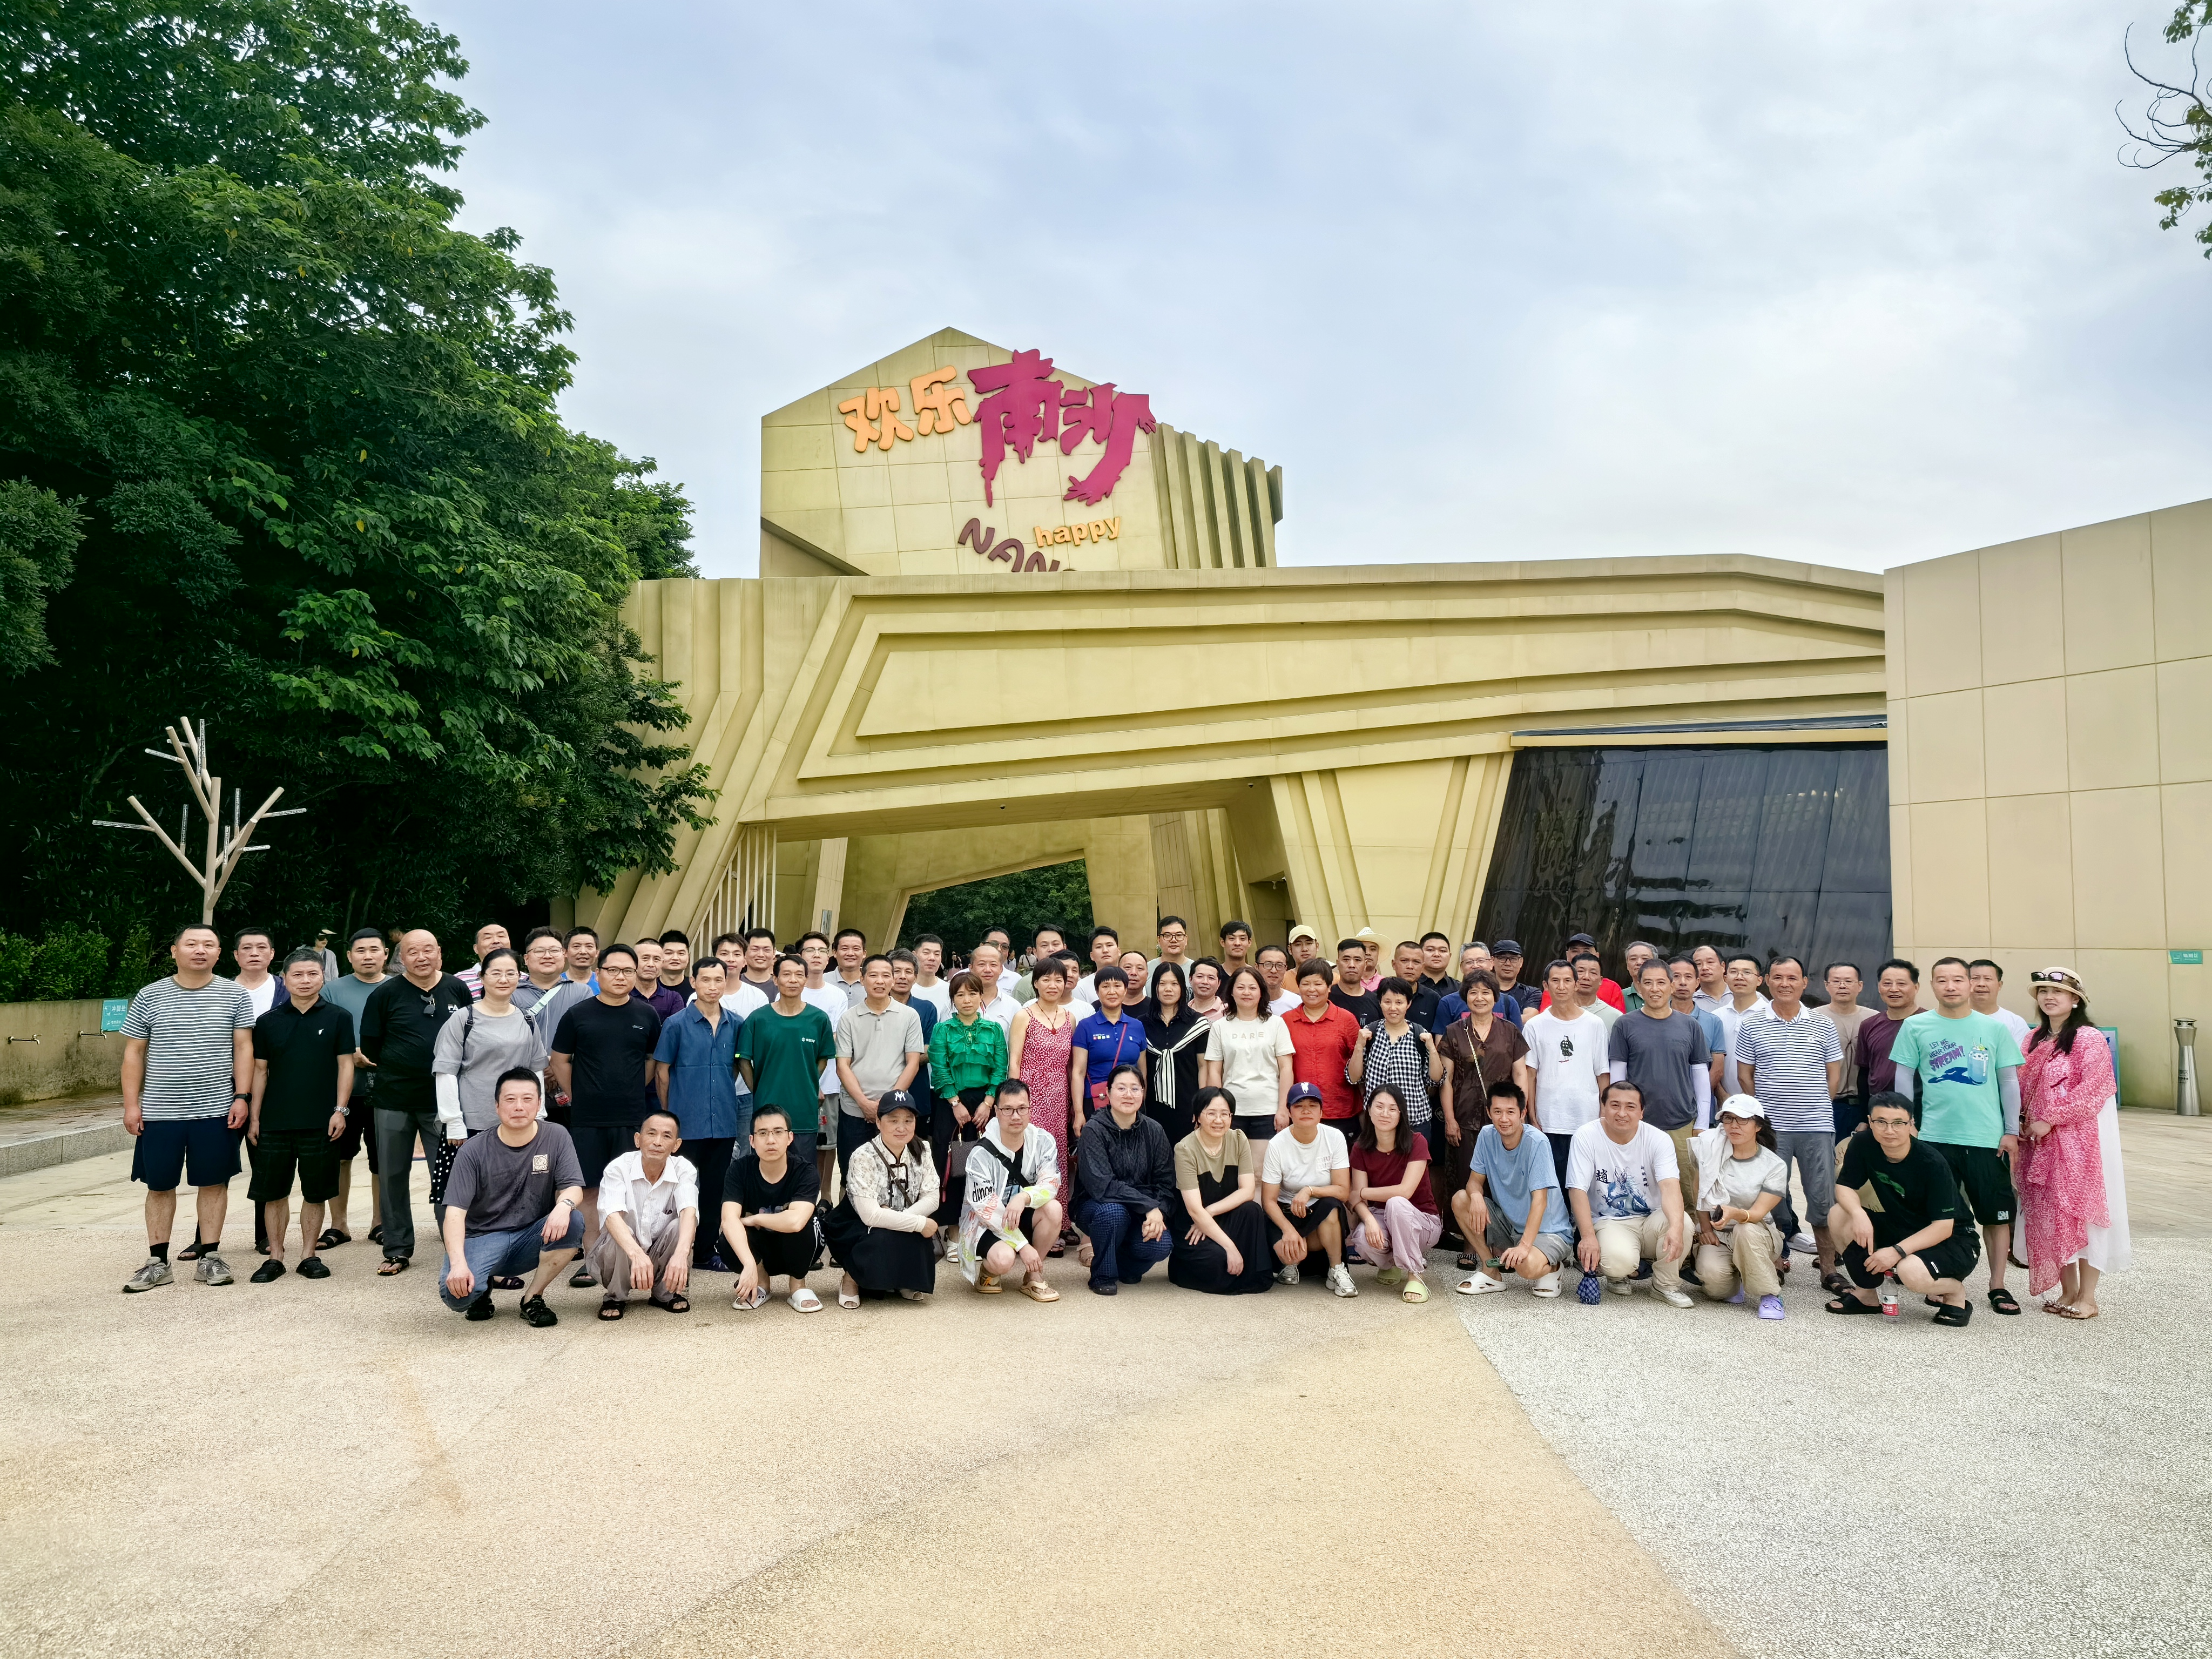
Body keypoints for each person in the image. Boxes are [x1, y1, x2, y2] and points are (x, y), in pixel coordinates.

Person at [119, 925, 254, 1292]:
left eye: (209, 944)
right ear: (175, 951)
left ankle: (210, 1257)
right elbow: (134, 1052)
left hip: (216, 1109)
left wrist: (242, 1096)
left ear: (219, 953)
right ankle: (157, 1262)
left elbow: (244, 1047)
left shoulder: (235, 994)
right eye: (191, 944)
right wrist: (132, 1105)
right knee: (159, 1185)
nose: (200, 950)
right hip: (161, 1112)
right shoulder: (150, 995)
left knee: (214, 1183)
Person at [1889, 956, 2025, 1314]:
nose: (1950, 987)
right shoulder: (1916, 1026)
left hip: (1987, 1138)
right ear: (1932, 986)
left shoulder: (1994, 1029)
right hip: (1935, 1137)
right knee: (1939, 1214)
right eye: (1942, 980)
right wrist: (1907, 1122)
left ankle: (1998, 1285)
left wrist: (2011, 1130)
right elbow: (1903, 1077)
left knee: (1995, 1216)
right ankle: (1943, 1279)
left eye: (1958, 980)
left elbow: (2009, 1081)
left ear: (1970, 984)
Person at [547, 945, 663, 1287]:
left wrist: (632, 1088)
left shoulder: (646, 1015)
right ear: (599, 974)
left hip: (631, 1116)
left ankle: (626, 1255)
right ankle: (592, 1258)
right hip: (588, 1117)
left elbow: (651, 1060)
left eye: (628, 971)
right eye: (613, 970)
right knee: (590, 1189)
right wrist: (578, 1094)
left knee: (629, 1189)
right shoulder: (578, 1014)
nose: (620, 977)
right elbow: (559, 1060)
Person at [360, 930, 473, 1276]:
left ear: (439, 952)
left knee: (448, 1175)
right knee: (392, 1174)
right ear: (401, 958)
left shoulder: (457, 988)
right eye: (412, 952)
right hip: (393, 1098)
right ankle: (397, 1248)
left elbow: (471, 1035)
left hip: (444, 1100)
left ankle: (455, 1247)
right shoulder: (385, 994)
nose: (421, 957)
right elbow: (371, 1045)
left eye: (428, 950)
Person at [2016, 967, 2127, 1318]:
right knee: (2051, 1212)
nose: (2049, 997)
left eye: (2058, 992)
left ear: (2076, 999)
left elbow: (2094, 1089)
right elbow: (2019, 1084)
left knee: (2081, 1211)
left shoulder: (2088, 1038)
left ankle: (2088, 1298)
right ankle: (2068, 1292)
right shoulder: (2032, 1039)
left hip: (2079, 1142)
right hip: (2038, 1142)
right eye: (2043, 991)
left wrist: (2051, 1118)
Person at [436, 1068, 585, 1326]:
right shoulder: (473, 1150)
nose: (519, 1107)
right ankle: (482, 1286)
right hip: (482, 1237)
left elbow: (573, 1187)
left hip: (531, 1235)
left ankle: (532, 1298)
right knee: (458, 1297)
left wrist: (564, 1206)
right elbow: (455, 1214)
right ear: (497, 1106)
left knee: (574, 1219)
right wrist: (459, 1264)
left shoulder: (556, 1136)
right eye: (510, 1099)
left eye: (527, 1099)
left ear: (539, 1104)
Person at [245, 949, 355, 1283]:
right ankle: (275, 1257)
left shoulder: (339, 1017)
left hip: (321, 1121)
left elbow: (346, 1065)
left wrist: (340, 1110)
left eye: (312, 974)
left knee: (315, 1192)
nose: (305, 981)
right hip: (275, 1121)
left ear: (323, 977)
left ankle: (309, 1254)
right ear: (285, 978)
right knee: (273, 1192)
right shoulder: (268, 1021)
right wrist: (255, 1117)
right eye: (297, 975)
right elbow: (260, 1071)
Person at [1732, 956, 1843, 1279]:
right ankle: (1777, 1263)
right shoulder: (1751, 1024)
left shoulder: (1823, 1024)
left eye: (1792, 978)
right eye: (1778, 977)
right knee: (1773, 1198)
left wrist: (1815, 1103)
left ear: (1804, 983)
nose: (1785, 984)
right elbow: (1744, 1075)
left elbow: (1834, 1074)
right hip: (1772, 1129)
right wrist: (1765, 1113)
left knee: (1822, 1197)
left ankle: (1828, 1269)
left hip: (1816, 1126)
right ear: (1767, 981)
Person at [1825, 1091, 1979, 1325]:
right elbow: (1845, 1186)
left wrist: (1896, 1252)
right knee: (1839, 1214)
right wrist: (1858, 1214)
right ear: (1870, 1121)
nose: (1889, 1130)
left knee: (1910, 1272)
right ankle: (1866, 1295)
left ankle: (1955, 1293)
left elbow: (1943, 1227)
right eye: (1881, 1122)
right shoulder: (1863, 1143)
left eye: (1898, 1123)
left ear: (1911, 1124)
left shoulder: (1932, 1163)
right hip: (1902, 1225)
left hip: (1953, 1240)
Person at [653, 956, 746, 1270]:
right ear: (693, 982)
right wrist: (670, 1116)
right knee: (680, 1189)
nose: (713, 986)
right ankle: (672, 1250)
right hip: (686, 1121)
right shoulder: (676, 1024)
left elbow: (735, 1067)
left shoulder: (736, 1023)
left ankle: (705, 1252)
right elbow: (662, 1073)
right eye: (706, 980)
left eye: (719, 980)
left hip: (723, 1120)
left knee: (714, 1189)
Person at [431, 947, 551, 1190]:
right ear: (482, 977)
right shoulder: (463, 1019)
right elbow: (445, 1072)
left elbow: (536, 1071)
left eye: (511, 973)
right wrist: (453, 1121)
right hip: (473, 1122)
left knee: (516, 1190)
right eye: (496, 973)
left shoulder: (527, 1019)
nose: (503, 979)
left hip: (519, 1120)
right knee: (467, 1192)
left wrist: (538, 1114)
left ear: (519, 977)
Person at [1564, 1081, 1690, 1305]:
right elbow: (1577, 1189)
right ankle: (1617, 1275)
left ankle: (1666, 1285)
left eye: (1630, 1107)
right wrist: (1588, 1236)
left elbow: (1670, 1187)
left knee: (1683, 1223)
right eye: (1615, 1105)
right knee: (1616, 1262)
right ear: (1603, 1107)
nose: (1622, 1113)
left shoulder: (1659, 1139)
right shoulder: (1586, 1136)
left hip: (1652, 1218)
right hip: (1609, 1221)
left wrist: (1676, 1227)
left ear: (1641, 1112)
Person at [1435, 968, 1530, 1256]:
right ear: (1465, 997)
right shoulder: (1454, 1031)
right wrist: (1450, 1119)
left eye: (1486, 992)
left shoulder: (1510, 1031)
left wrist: (1520, 1111)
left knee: (1501, 1179)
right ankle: (1470, 1241)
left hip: (1504, 1118)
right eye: (1473, 992)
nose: (1479, 998)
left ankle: (1500, 1240)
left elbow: (1520, 1073)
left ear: (1495, 997)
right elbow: (1446, 1079)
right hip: (1465, 1116)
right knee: (1467, 1177)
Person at [1606, 959, 1713, 1211]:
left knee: (1686, 1189)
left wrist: (1701, 1123)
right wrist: (1619, 1117)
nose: (1655, 989)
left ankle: (1688, 1231)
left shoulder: (1690, 1026)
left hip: (1681, 1122)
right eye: (1648, 983)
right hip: (1638, 1123)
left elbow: (1700, 1076)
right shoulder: (1625, 1025)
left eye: (1661, 983)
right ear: (1639, 987)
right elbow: (1618, 1078)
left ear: (1672, 986)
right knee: (1638, 1186)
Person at [1454, 1078, 1576, 1298]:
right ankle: (1491, 1271)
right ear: (1489, 1113)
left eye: (1511, 1112)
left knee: (1525, 1267)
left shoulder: (1537, 1142)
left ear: (1522, 1113)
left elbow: (1540, 1201)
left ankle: (1555, 1267)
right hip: (1510, 1225)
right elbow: (1474, 1182)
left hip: (1549, 1231)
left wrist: (1524, 1246)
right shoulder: (1486, 1136)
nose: (1504, 1119)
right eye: (1497, 1112)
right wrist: (1477, 1196)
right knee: (1462, 1199)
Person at [820, 1088, 941, 1305]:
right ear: (878, 1122)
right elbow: (870, 1216)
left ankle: (902, 1280)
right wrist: (918, 1223)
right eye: (893, 1120)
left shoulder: (922, 1149)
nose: (901, 1128)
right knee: (881, 1237)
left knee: (913, 1237)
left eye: (908, 1120)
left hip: (897, 1215)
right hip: (857, 1225)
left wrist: (902, 1220)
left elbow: (932, 1197)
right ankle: (851, 1278)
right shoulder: (863, 1156)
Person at [1069, 1064, 1175, 1293]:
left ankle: (1123, 1267)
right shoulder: (1094, 1130)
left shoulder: (1154, 1130)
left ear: (1143, 1093)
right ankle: (1103, 1276)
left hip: (1141, 1210)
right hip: (1097, 1205)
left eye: (1135, 1089)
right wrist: (1148, 1206)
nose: (1129, 1095)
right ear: (1108, 1092)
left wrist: (1159, 1213)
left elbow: (1166, 1183)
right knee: (1114, 1213)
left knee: (1161, 1245)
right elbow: (1103, 1185)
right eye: (1121, 1088)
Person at [955, 1078, 1063, 1300]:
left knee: (1053, 1209)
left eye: (1022, 1108)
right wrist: (1023, 1246)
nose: (1016, 1116)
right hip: (986, 1223)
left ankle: (1033, 1276)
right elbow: (986, 1209)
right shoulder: (980, 1154)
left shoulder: (1043, 1141)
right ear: (996, 1111)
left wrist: (1024, 1197)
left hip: (1021, 1213)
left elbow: (1051, 1183)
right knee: (1003, 1260)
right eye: (1008, 1110)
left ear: (1030, 1108)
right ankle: (989, 1272)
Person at [584, 1108, 697, 1318]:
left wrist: (682, 1254)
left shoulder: (684, 1169)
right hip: (623, 1255)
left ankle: (665, 1293)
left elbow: (689, 1211)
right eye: (651, 1134)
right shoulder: (618, 1168)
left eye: (667, 1136)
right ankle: (615, 1296)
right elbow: (611, 1215)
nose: (657, 1142)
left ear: (676, 1145)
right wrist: (637, 1254)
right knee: (618, 1230)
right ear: (638, 1139)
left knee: (681, 1226)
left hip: (660, 1252)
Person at [1685, 1095, 1789, 1318]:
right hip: (1720, 1233)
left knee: (1745, 1229)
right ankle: (1737, 1280)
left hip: (1758, 1232)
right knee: (1716, 1286)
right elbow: (1700, 1191)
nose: (1734, 1126)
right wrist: (1705, 1228)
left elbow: (1757, 1214)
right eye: (1729, 1119)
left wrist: (1733, 1213)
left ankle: (1770, 1294)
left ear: (1758, 1126)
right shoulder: (1711, 1151)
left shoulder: (1774, 1166)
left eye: (1743, 1120)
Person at [319, 926, 389, 1249]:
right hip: (341, 1092)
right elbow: (321, 1034)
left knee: (383, 1159)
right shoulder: (332, 990)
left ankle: (380, 1222)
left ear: (386, 954)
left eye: (374, 950)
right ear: (349, 956)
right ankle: (339, 1225)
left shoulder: (398, 987)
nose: (368, 956)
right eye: (361, 951)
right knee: (339, 1157)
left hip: (387, 1090)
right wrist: (351, 1054)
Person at [1168, 1086, 1274, 1295]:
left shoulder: (1238, 1139)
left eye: (1225, 1114)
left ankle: (1252, 1269)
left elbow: (1248, 1191)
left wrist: (1211, 1211)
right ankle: (1183, 1265)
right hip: (1193, 1228)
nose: (1219, 1120)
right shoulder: (1185, 1149)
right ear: (1197, 1116)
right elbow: (1195, 1210)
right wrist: (1230, 1248)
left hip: (1221, 1217)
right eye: (1211, 1114)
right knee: (1219, 1262)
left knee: (1252, 1210)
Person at [720, 1103, 825, 1312]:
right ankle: (760, 1283)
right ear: (752, 1141)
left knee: (808, 1224)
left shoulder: (805, 1171)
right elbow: (728, 1219)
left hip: (794, 1243)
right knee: (727, 1237)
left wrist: (755, 1219)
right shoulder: (739, 1170)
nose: (771, 1140)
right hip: (760, 1247)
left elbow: (795, 1222)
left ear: (790, 1138)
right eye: (762, 1133)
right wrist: (749, 1264)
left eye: (778, 1132)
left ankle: (798, 1286)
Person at [832, 954, 926, 1179]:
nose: (880, 981)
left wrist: (888, 1103)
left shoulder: (909, 1016)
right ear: (862, 979)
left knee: (893, 1174)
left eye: (886, 976)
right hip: (855, 1109)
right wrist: (864, 1104)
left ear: (893, 980)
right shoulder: (848, 1018)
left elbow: (913, 1063)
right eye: (873, 975)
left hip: (895, 1112)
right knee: (852, 1173)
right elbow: (842, 1066)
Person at [738, 954, 835, 1170]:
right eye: (787, 974)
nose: (793, 980)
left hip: (804, 1112)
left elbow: (823, 1058)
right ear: (775, 979)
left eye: (799, 975)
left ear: (806, 980)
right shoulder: (758, 1019)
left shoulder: (818, 1019)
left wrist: (809, 1082)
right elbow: (743, 1060)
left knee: (803, 1172)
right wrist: (759, 1089)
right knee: (765, 1171)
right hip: (766, 1112)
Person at [1345, 1084, 1440, 1302]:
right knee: (1362, 1237)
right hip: (1383, 1218)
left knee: (1396, 1203)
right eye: (1379, 1107)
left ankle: (1415, 1274)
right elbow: (1358, 1201)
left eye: (1392, 1109)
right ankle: (1392, 1265)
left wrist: (1363, 1192)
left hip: (1422, 1220)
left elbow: (1405, 1191)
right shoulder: (1361, 1148)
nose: (1385, 1114)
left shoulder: (1417, 1142)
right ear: (1369, 1110)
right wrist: (1369, 1220)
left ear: (1401, 1114)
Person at [926, 969, 1008, 1218]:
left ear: (981, 996)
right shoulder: (943, 1030)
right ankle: (952, 1223)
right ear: (953, 999)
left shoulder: (994, 1030)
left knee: (985, 1159)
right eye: (960, 995)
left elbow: (1000, 1068)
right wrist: (955, 1103)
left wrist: (988, 1102)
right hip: (952, 1104)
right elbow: (940, 1068)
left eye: (972, 994)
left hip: (985, 1104)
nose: (967, 1000)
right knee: (953, 1163)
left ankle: (984, 1218)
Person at [1262, 1083, 1357, 1297]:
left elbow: (1343, 1191)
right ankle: (1291, 1263)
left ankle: (1336, 1269)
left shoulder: (1335, 1137)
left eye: (1313, 1106)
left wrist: (1310, 1190)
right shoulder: (1277, 1144)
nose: (1306, 1111)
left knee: (1332, 1205)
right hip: (1288, 1211)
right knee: (1293, 1254)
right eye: (1299, 1106)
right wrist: (1288, 1230)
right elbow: (1268, 1200)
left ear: (1322, 1112)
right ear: (1289, 1112)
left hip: (1320, 1210)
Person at [1522, 959, 1611, 1184]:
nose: (1561, 987)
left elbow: (1602, 1074)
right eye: (1555, 981)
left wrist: (1603, 1113)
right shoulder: (1534, 1026)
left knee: (1584, 1182)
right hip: (1549, 1119)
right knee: (1552, 1182)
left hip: (1587, 1118)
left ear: (1576, 984)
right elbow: (1530, 1074)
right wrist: (1532, 1115)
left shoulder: (1595, 1024)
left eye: (1567, 981)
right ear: (1546, 985)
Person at [1203, 965, 1296, 1147]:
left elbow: (1286, 1068)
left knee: (1262, 1165)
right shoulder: (1220, 1026)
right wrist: (1217, 1110)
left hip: (1268, 1110)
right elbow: (1214, 1071)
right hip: (1231, 1110)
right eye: (1241, 987)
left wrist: (1283, 1109)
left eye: (1253, 988)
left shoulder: (1276, 1024)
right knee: (1232, 1163)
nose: (1247, 993)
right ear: (1232, 992)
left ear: (1261, 992)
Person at [1349, 976, 1442, 1144]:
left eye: (1399, 1002)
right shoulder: (1370, 1033)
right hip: (1377, 1123)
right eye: (1387, 1002)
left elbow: (1436, 1079)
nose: (1393, 1008)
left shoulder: (1419, 1034)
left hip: (1414, 1122)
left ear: (1408, 1004)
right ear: (1380, 1002)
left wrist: (1432, 1048)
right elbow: (1354, 1078)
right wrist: (1359, 1046)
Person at [1007, 953, 1080, 1163]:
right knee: (1030, 1147)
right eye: (1046, 980)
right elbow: (1015, 1062)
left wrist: (1073, 1103)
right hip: (1030, 1093)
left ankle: (1056, 1187)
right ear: (1036, 983)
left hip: (1059, 1094)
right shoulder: (1024, 1016)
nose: (1053, 985)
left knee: (1056, 1148)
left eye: (1058, 980)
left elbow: (1071, 1065)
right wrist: (1015, 1099)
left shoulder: (1070, 1018)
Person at [1282, 959, 1364, 1144]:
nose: (1312, 989)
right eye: (1306, 984)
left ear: (1329, 987)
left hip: (1341, 1110)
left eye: (1318, 984)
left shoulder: (1346, 1020)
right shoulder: (1286, 1021)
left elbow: (1360, 1064)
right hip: (1300, 1109)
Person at [1070, 966, 1145, 1138]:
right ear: (1097, 992)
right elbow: (1078, 1072)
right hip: (1095, 1102)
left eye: (1117, 986)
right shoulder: (1086, 1027)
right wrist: (1079, 1112)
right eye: (1105, 986)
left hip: (1130, 1101)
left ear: (1125, 990)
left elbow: (1143, 1072)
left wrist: (1141, 1103)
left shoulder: (1137, 1026)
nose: (1112, 991)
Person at [1139, 960, 1210, 1143]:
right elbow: (1142, 1071)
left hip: (1189, 1107)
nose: (1168, 989)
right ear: (1155, 988)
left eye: (1174, 984)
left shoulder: (1198, 1023)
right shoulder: (1142, 1024)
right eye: (1162, 984)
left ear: (1182, 988)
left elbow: (1204, 1067)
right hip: (1152, 1109)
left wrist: (1202, 1107)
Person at [1853, 958, 1923, 1124]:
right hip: (1879, 1109)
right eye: (1887, 984)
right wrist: (1864, 1119)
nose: (1894, 989)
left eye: (1901, 984)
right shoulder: (1869, 1025)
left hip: (1921, 1110)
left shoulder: (1929, 1024)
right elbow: (1864, 1074)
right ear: (1879, 987)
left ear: (1916, 987)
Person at [1820, 961, 1870, 1138]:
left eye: (1849, 981)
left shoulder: (1874, 1019)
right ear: (1826, 985)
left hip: (1864, 1107)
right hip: (1826, 1106)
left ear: (1860, 986)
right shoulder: (1813, 1019)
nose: (1842, 986)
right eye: (1836, 981)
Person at [1668, 957, 1728, 1097]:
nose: (1683, 982)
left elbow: (1717, 1070)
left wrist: (1696, 1098)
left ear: (1697, 983)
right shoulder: (1656, 1019)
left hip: (1700, 1102)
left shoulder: (1713, 1021)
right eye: (1676, 976)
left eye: (1688, 977)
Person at [1712, 955, 1769, 1098]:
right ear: (1726, 978)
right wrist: (1721, 1095)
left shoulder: (1770, 1016)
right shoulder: (1716, 1017)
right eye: (1734, 972)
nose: (1739, 977)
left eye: (1747, 972)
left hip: (1763, 1100)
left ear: (1759, 980)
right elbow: (1710, 1062)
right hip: (1724, 1101)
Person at [1388, 942, 1443, 1031]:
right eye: (1404, 961)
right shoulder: (1380, 996)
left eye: (1416, 962)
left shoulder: (1433, 999)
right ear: (1394, 964)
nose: (1410, 967)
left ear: (1423, 967)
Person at [453, 922, 511, 1001]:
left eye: (501, 936)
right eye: (488, 938)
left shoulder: (525, 979)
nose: (496, 941)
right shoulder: (458, 981)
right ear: (476, 949)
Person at [1328, 938, 1380, 1025]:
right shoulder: (1326, 998)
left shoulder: (1376, 1002)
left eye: (1357, 960)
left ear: (1365, 965)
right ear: (1338, 963)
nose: (1352, 965)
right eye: (1346, 960)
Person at [231, 926, 278, 1018]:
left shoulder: (286, 989)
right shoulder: (222, 991)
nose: (254, 953)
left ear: (272, 953)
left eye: (261, 947)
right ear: (236, 955)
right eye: (247, 948)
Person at [1489, 939, 1532, 1020]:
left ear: (1521, 962)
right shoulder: (1480, 990)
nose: (1508, 964)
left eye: (1514, 959)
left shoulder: (1531, 993)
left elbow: (1530, 1018)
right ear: (1492, 961)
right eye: (1502, 958)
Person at [911, 934, 953, 1015]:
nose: (932, 958)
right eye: (926, 953)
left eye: (937, 954)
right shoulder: (904, 988)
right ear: (914, 955)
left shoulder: (950, 991)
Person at [1148, 915, 1193, 989]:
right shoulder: (1147, 969)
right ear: (1159, 940)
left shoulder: (1197, 970)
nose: (1173, 940)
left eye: (1179, 935)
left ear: (1186, 939)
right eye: (1167, 936)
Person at [829, 926, 869, 1004]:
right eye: (845, 949)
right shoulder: (823, 981)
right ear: (835, 953)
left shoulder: (873, 982)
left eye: (856, 949)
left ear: (864, 953)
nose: (850, 954)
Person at [1257, 945, 1299, 1016]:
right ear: (1257, 967)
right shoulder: (1247, 1001)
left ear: (1286, 969)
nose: (1274, 971)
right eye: (1268, 965)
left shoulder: (1297, 1003)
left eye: (1280, 965)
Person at [1183, 957, 1226, 1022]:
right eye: (1200, 977)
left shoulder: (1228, 1012)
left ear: (1219, 983)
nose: (1205, 982)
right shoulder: (1181, 1013)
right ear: (1190, 980)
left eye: (1211, 978)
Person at [1621, 941, 1659, 1013]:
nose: (1639, 963)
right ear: (1627, 965)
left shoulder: (1667, 995)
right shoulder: (1619, 996)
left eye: (1645, 959)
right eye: (1633, 959)